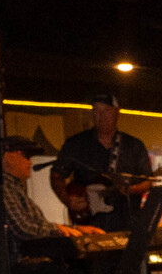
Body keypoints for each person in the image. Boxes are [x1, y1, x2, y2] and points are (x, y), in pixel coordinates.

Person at [52, 98, 154, 231]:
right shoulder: (76, 143)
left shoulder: (134, 145)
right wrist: (67, 199)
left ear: (117, 112)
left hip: (127, 223)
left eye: (106, 110)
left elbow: (148, 180)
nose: (101, 116)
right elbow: (56, 175)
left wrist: (133, 189)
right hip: (89, 223)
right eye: (96, 111)